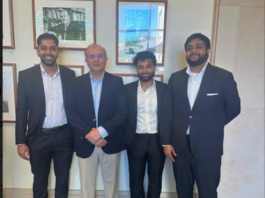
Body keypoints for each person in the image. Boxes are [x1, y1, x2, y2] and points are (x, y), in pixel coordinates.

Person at [160, 33, 241, 198]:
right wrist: (166, 142)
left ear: (208, 50)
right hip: (179, 147)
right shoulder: (176, 78)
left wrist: (211, 125)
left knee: (208, 192)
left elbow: (234, 108)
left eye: (198, 46)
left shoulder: (223, 77)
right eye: (189, 48)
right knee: (183, 191)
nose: (193, 51)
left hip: (208, 146)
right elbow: (166, 111)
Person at [16, 33, 75, 198]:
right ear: (38, 51)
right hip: (38, 137)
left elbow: (74, 107)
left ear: (57, 51)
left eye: (52, 48)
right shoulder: (26, 76)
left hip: (64, 136)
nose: (48, 52)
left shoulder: (69, 75)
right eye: (44, 48)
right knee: (40, 180)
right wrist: (21, 141)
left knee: (63, 179)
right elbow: (21, 109)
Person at [65, 44, 127, 198]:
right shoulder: (75, 83)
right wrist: (90, 134)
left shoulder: (117, 82)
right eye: (92, 56)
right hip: (84, 142)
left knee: (111, 186)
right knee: (86, 186)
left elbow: (122, 112)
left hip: (110, 141)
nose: (96, 59)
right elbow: (71, 113)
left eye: (100, 56)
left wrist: (100, 133)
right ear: (86, 60)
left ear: (106, 59)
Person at [124, 51, 166, 198]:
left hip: (158, 140)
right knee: (135, 180)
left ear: (154, 67)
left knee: (155, 180)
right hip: (135, 140)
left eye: (148, 66)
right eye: (141, 67)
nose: (145, 70)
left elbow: (169, 117)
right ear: (137, 69)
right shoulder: (127, 90)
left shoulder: (165, 89)